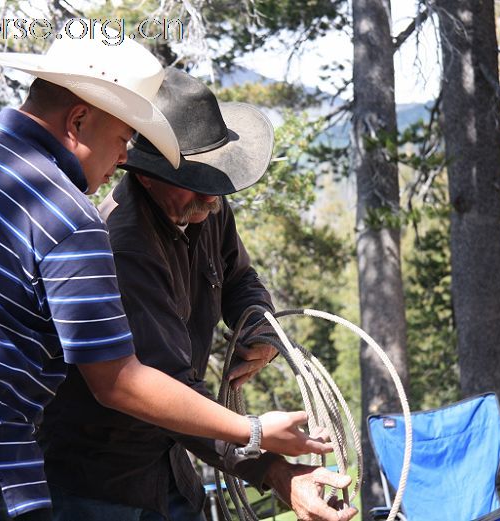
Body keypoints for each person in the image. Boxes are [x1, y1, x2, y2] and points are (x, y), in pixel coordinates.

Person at [0, 35, 331, 521]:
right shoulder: (73, 221)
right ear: (78, 121)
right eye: (122, 140)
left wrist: (258, 328)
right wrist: (253, 433)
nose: (121, 158)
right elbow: (119, 381)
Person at [38, 68, 358, 521]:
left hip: (168, 467)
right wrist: (273, 468)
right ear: (147, 176)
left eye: (217, 181)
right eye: (198, 181)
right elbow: (165, 392)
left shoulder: (205, 203)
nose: (213, 198)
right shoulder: (125, 247)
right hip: (100, 484)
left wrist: (259, 328)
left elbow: (240, 278)